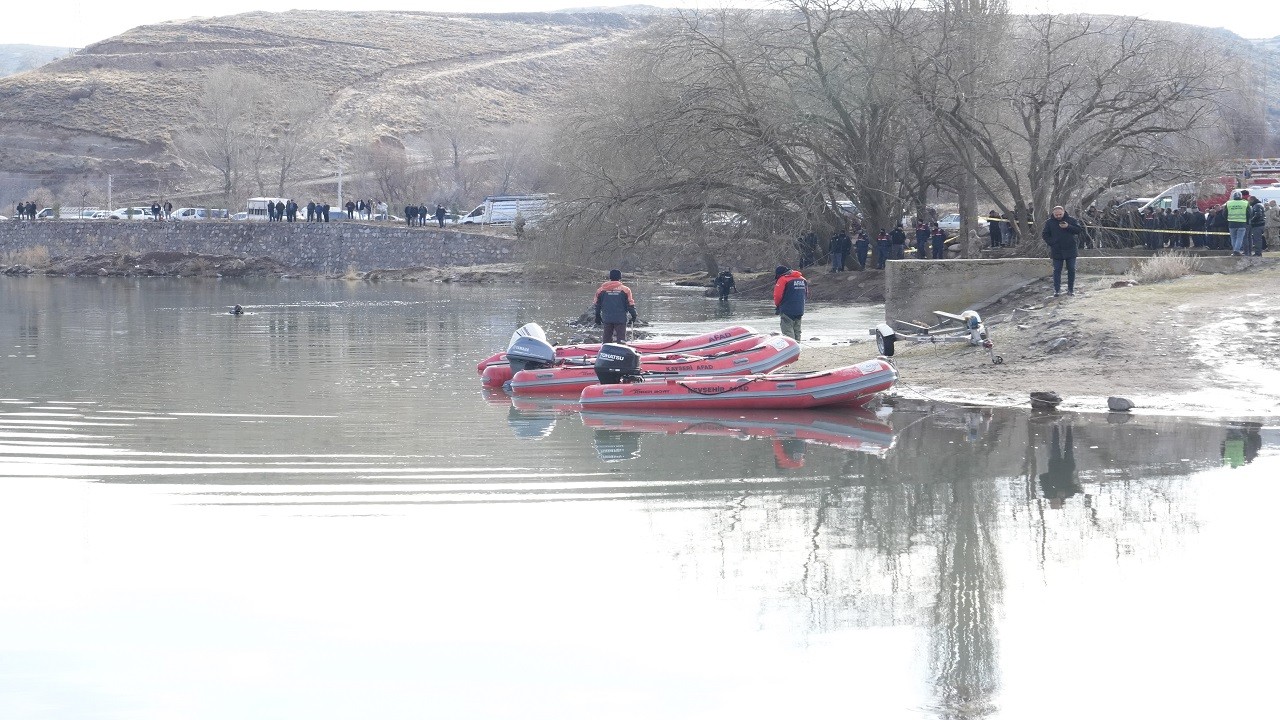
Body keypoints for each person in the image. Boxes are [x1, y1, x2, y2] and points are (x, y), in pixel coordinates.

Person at [1041, 205, 1084, 296]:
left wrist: (1068, 226)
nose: (1058, 216)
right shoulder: (1049, 222)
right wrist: (1052, 242)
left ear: (1064, 212)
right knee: (1057, 270)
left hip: (1070, 249)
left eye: (1060, 214)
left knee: (1071, 269)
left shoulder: (1071, 220)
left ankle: (1070, 290)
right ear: (1053, 213)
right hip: (1057, 250)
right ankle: (1057, 290)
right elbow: (1045, 235)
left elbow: (1079, 230)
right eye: (1056, 215)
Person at [1038, 424, 1079, 510]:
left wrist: (1050, 476)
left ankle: (1056, 426)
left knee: (1055, 446)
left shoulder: (1048, 493)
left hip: (1055, 466)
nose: (1055, 501)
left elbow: (1042, 478)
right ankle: (1068, 427)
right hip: (1067, 467)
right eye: (1056, 503)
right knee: (1068, 447)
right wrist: (1065, 492)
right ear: (1061, 502)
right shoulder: (1069, 494)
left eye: (1053, 503)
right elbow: (1076, 488)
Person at [593, 269, 638, 344]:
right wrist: (634, 316)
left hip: (607, 318)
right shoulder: (625, 290)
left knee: (606, 339)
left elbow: (597, 305)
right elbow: (630, 304)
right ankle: (621, 351)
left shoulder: (600, 290)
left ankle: (606, 352)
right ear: (620, 278)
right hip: (620, 319)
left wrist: (597, 316)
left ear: (610, 277)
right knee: (621, 339)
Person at [772, 265, 807, 340]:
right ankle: (797, 346)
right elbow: (806, 294)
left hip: (787, 309)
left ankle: (791, 348)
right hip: (800, 309)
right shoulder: (803, 279)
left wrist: (778, 305)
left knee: (787, 330)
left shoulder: (783, 279)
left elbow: (777, 295)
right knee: (797, 330)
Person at [1224, 190, 1250, 255]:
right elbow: (1249, 213)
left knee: (1233, 238)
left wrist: (1228, 220)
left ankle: (1235, 251)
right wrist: (1247, 221)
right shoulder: (1245, 203)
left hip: (1231, 223)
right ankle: (1236, 250)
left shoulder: (1228, 203)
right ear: (1241, 196)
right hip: (1242, 223)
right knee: (1239, 238)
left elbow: (1224, 213)